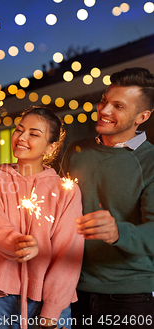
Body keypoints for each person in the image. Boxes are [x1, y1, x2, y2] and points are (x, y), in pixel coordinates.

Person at [0, 106, 84, 329]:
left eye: (34, 134)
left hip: (49, 298)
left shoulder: (66, 190)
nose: (22, 137)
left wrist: (51, 312)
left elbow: (68, 252)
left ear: (51, 147)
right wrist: (20, 244)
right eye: (19, 129)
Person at [61, 67, 154, 329]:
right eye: (104, 100)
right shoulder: (76, 151)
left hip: (129, 297)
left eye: (118, 106)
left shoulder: (150, 162)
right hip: (72, 290)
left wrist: (117, 232)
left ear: (142, 116)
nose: (104, 110)